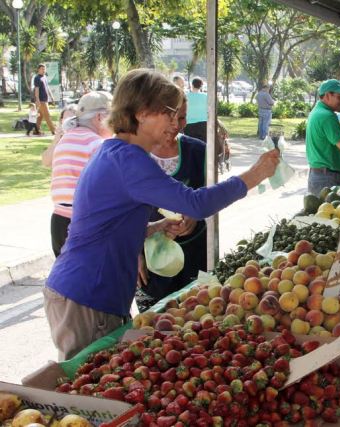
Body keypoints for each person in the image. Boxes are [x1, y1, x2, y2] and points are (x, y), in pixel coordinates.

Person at [43, 69, 279, 360]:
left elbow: (104, 224)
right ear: (142, 114)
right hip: (88, 294)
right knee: (87, 389)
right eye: (169, 113)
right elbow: (194, 204)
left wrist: (155, 227)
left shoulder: (115, 152)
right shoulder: (128, 159)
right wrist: (254, 175)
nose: (175, 122)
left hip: (88, 292)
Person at [141, 102, 208, 298]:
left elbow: (210, 196)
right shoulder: (135, 154)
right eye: (170, 118)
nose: (177, 125)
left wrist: (195, 215)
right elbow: (123, 213)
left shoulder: (198, 151)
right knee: (156, 321)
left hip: (194, 253)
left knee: (196, 313)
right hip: (150, 260)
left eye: (182, 117)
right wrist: (135, 251)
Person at [47, 92, 113, 258]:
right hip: (84, 223)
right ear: (99, 117)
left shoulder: (64, 140)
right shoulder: (98, 145)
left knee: (67, 278)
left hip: (58, 221)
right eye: (114, 117)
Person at [33, 64, 56, 135]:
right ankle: (54, 130)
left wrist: (52, 96)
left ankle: (36, 130)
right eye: (42, 69)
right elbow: (36, 89)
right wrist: (37, 100)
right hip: (41, 100)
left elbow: (47, 87)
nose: (44, 70)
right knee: (47, 115)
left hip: (45, 99)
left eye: (44, 69)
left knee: (40, 116)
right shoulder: (37, 78)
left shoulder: (44, 77)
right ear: (38, 69)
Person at [183, 77, 208, 143]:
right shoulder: (206, 96)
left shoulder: (185, 96)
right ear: (201, 86)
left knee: (190, 146)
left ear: (192, 85)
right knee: (203, 146)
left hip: (189, 125)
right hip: (203, 124)